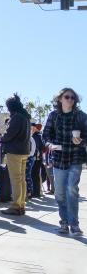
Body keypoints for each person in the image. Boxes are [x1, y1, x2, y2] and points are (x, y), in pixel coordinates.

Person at [43, 88, 87, 236]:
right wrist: (49, 145)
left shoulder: (81, 116)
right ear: (60, 99)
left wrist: (81, 142)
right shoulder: (53, 116)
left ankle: (74, 225)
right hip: (59, 158)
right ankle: (64, 223)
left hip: (75, 157)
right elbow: (46, 135)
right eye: (67, 97)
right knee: (60, 194)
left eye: (72, 98)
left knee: (72, 190)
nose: (70, 100)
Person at [0, 94, 31, 216]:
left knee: (16, 180)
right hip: (23, 151)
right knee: (21, 179)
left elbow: (10, 134)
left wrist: (1, 138)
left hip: (14, 151)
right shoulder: (25, 117)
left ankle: (16, 206)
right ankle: (21, 204)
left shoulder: (17, 117)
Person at [31, 123, 45, 198]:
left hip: (36, 158)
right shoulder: (37, 135)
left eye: (33, 127)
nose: (32, 129)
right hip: (37, 158)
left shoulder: (37, 136)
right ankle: (36, 192)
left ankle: (36, 192)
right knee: (35, 175)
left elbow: (41, 146)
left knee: (34, 175)